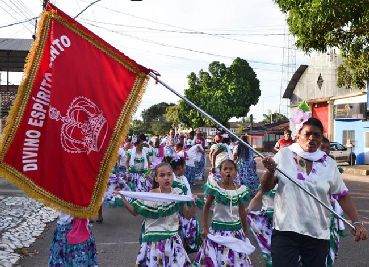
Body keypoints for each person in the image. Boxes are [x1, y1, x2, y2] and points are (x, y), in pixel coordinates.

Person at [261, 118, 368, 267]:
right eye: (307, 134)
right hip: (286, 230)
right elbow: (265, 188)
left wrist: (357, 222)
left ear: (321, 138)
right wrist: (270, 171)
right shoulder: (284, 155)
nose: (311, 138)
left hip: (317, 233)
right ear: (298, 136)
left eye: (316, 135)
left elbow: (342, 196)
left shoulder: (329, 164)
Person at [120, 162, 193, 266]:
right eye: (162, 175)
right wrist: (122, 198)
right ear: (156, 179)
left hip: (172, 241)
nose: (166, 178)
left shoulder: (178, 193)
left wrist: (193, 203)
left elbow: (187, 215)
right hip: (153, 243)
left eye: (169, 174)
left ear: (173, 176)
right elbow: (134, 212)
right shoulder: (150, 195)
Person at [194, 159, 253, 266]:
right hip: (217, 231)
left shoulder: (240, 190)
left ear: (236, 172)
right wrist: (205, 228)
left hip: (235, 232)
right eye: (225, 169)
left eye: (231, 169)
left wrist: (245, 230)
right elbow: (206, 207)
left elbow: (242, 211)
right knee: (216, 259)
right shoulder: (216, 188)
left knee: (234, 260)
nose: (228, 171)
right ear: (220, 172)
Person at [320, 137, 348, 267]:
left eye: (328, 148)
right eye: (322, 147)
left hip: (329, 213)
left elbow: (341, 193)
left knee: (327, 248)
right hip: (313, 215)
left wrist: (356, 221)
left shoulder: (331, 164)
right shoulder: (303, 164)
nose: (325, 150)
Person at [167, 156, 201, 252]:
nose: (185, 168)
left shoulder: (183, 178)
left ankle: (183, 251)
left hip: (187, 206)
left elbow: (187, 192)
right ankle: (179, 251)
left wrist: (191, 196)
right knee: (181, 230)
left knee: (190, 227)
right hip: (178, 209)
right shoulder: (171, 179)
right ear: (181, 167)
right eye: (184, 166)